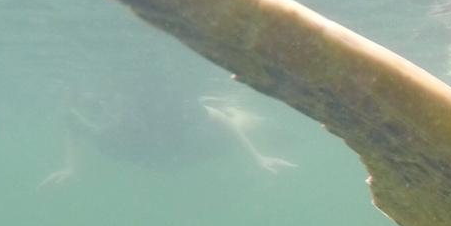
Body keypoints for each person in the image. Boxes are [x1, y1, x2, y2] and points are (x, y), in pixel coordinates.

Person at [41, 61, 295, 187]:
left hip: (188, 144)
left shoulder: (153, 109)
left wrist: (258, 158)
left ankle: (247, 118)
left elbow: (218, 117)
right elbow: (73, 129)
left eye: (105, 104)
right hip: (160, 160)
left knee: (232, 126)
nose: (100, 110)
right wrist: (70, 168)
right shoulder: (95, 127)